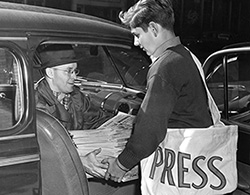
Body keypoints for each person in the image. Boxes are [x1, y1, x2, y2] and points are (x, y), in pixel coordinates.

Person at [103, 0, 213, 185]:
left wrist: (121, 164)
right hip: (195, 160)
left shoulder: (165, 66)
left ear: (153, 28)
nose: (136, 43)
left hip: (177, 164)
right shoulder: (186, 55)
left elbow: (150, 131)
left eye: (137, 35)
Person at [35, 44, 141, 195]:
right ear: (50, 72)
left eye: (75, 71)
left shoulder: (76, 96)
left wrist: (122, 127)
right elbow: (47, 149)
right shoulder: (36, 103)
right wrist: (81, 161)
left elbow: (96, 120)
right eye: (68, 71)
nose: (74, 77)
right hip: (53, 177)